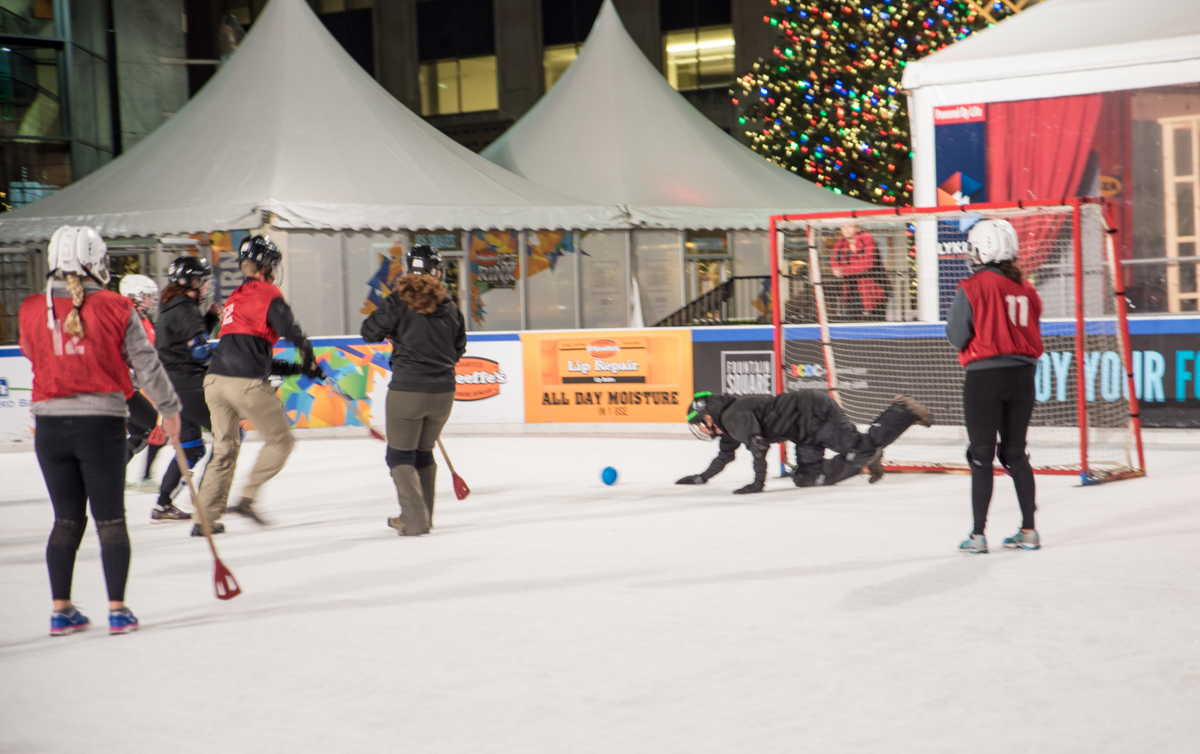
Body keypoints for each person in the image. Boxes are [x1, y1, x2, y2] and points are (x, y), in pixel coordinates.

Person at [19, 226, 182, 636]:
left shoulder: (32, 307)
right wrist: (170, 409)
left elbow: (30, 352)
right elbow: (146, 364)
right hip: (101, 425)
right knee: (110, 519)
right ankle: (118, 610)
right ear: (95, 262)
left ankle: (61, 610)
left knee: (66, 519)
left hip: (50, 429)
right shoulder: (116, 306)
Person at [192, 235, 322, 536]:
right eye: (273, 265)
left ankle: (204, 519)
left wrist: (298, 368)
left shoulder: (235, 297)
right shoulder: (269, 295)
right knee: (281, 441)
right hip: (245, 384)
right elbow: (292, 331)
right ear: (265, 266)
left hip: (214, 381)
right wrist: (310, 359)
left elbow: (249, 351)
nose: (275, 271)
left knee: (224, 448)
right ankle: (247, 499)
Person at [946, 218, 1043, 554]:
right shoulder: (1027, 288)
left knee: (981, 455)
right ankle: (1029, 530)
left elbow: (957, 335)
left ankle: (977, 536)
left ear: (984, 250)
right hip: (1023, 378)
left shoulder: (973, 286)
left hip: (985, 378)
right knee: (1016, 454)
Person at [361, 244, 466, 536]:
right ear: (437, 272)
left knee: (399, 456)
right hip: (443, 394)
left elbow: (368, 331)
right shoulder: (451, 307)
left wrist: (393, 330)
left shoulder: (398, 302)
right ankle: (423, 516)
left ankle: (414, 518)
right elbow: (458, 349)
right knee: (423, 452)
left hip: (407, 392)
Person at [676, 390, 932, 494]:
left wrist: (757, 484)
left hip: (815, 414)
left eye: (700, 423)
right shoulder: (728, 425)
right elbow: (725, 455)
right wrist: (701, 478)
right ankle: (862, 459)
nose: (702, 429)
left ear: (708, 417)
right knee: (807, 478)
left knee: (861, 447)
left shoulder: (734, 417)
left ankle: (902, 410)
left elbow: (759, 447)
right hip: (803, 432)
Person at [150, 255, 222, 523]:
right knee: (229, 433)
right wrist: (228, 360)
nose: (205, 285)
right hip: (189, 385)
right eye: (202, 280)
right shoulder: (186, 309)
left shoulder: (170, 307)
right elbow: (200, 351)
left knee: (190, 448)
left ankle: (162, 505)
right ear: (189, 282)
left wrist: (210, 320)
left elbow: (186, 340)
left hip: (173, 388)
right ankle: (208, 497)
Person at [119, 274, 162, 468]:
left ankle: (115, 473)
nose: (151, 300)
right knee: (157, 428)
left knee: (140, 434)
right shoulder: (128, 321)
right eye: (147, 296)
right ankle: (144, 476)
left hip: (129, 388)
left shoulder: (142, 320)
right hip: (123, 389)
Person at [829, 223, 885, 320]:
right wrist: (835, 269)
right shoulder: (841, 242)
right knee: (849, 318)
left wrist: (843, 270)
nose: (846, 229)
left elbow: (866, 265)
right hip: (852, 287)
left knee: (876, 320)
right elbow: (834, 260)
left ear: (857, 228)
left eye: (849, 226)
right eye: (843, 226)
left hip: (875, 287)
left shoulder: (867, 239)